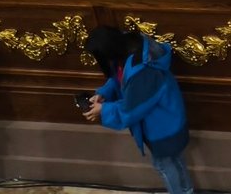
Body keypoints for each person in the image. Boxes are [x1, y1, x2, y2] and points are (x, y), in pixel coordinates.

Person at [83, 25, 194, 194]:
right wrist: (104, 94)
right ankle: (187, 190)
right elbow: (119, 78)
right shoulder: (128, 47)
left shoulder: (142, 71)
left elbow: (131, 108)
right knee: (175, 160)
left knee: (164, 165)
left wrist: (103, 110)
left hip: (162, 127)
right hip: (165, 119)